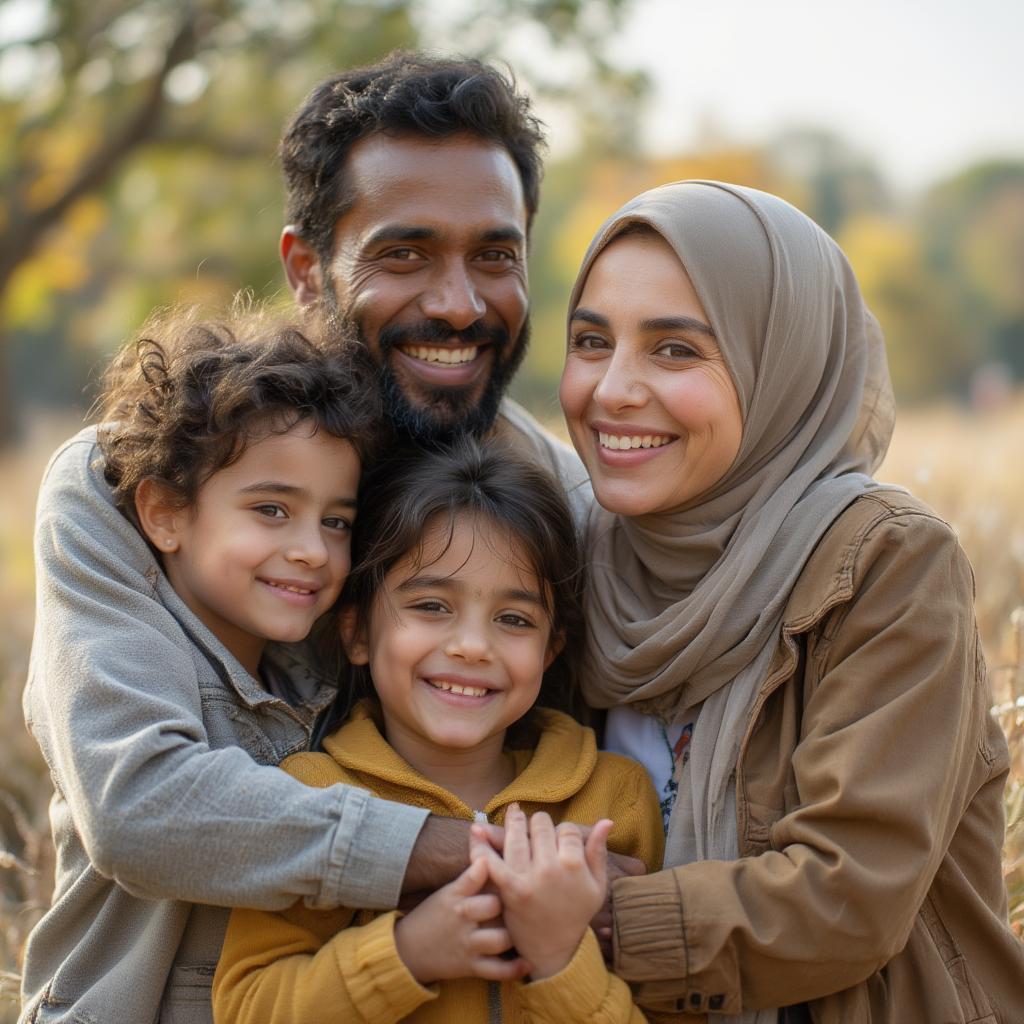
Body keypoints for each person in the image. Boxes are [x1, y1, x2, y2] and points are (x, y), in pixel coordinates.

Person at [21, 54, 600, 1024]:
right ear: (305, 267)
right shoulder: (134, 481)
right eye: (405, 252)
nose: (459, 302)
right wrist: (492, 856)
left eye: (494, 255)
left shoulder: (550, 504)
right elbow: (138, 804)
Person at [558, 181, 1024, 1022]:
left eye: (675, 351)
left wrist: (574, 917)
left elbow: (845, 898)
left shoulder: (884, 561)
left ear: (784, 364)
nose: (611, 389)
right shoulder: (573, 555)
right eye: (591, 341)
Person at [211, 439, 663, 1023]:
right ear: (357, 633)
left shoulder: (613, 800)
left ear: (551, 650)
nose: (472, 645)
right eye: (430, 606)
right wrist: (408, 953)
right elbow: (247, 1009)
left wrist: (558, 957)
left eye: (514, 619)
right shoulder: (309, 795)